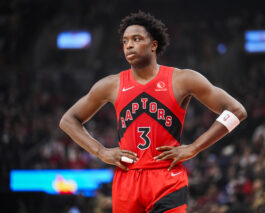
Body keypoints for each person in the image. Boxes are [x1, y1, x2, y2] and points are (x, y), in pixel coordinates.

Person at [59, 11, 247, 213]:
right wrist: (100, 151)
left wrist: (194, 148)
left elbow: (236, 110)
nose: (129, 45)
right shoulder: (111, 85)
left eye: (136, 39)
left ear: (154, 45)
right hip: (127, 178)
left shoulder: (182, 79)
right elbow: (68, 120)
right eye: (125, 41)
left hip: (166, 177)